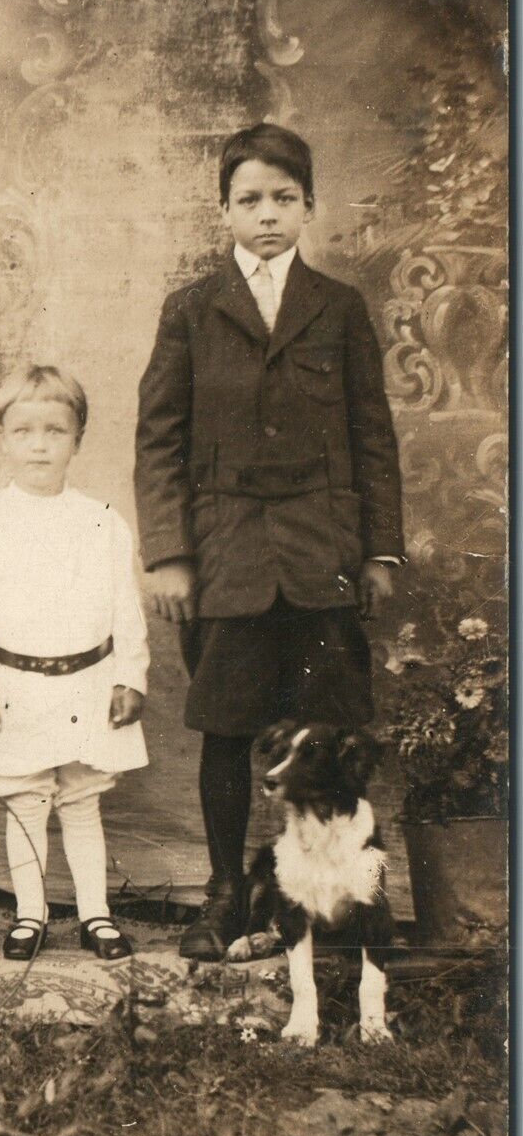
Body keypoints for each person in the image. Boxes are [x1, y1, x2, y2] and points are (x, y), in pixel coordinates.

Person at [134, 123, 404, 959]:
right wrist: (170, 554)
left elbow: (371, 435)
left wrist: (378, 552)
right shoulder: (190, 310)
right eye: (248, 199)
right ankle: (224, 898)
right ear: (223, 210)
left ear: (308, 207)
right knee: (225, 730)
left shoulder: (338, 307)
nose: (266, 215)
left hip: (321, 556)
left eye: (283, 198)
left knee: (335, 735)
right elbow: (158, 439)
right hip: (228, 557)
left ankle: (348, 900)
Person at [0, 364, 149, 963]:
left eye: (55, 431)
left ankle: (95, 915)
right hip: (16, 686)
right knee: (27, 802)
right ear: (3, 438)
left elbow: (126, 608)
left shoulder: (103, 520)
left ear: (77, 439)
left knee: (82, 802)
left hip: (86, 683)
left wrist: (129, 676)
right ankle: (29, 913)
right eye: (24, 431)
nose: (39, 445)